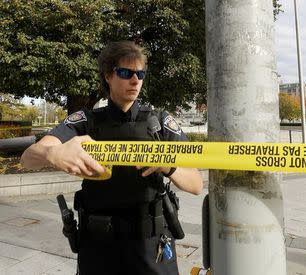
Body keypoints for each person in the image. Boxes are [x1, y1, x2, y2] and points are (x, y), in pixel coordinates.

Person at [20, 41, 203, 275]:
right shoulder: (86, 121)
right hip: (99, 247)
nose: (135, 80)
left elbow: (196, 184)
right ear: (108, 76)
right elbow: (28, 158)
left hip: (152, 247)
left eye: (140, 74)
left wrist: (169, 168)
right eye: (126, 73)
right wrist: (52, 152)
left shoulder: (159, 122)